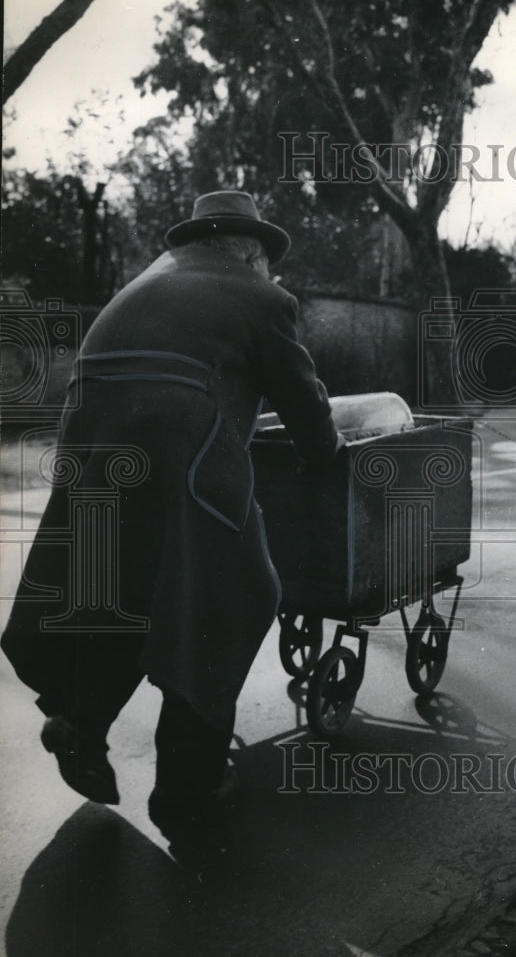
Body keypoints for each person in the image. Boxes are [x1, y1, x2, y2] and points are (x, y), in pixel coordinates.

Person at [1, 191, 343, 845]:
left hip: (89, 442)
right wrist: (325, 456)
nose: (271, 273)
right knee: (229, 596)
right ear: (249, 251)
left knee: (123, 593)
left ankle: (80, 720)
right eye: (267, 261)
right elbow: (303, 401)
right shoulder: (261, 297)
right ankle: (188, 791)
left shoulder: (147, 281)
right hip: (174, 448)